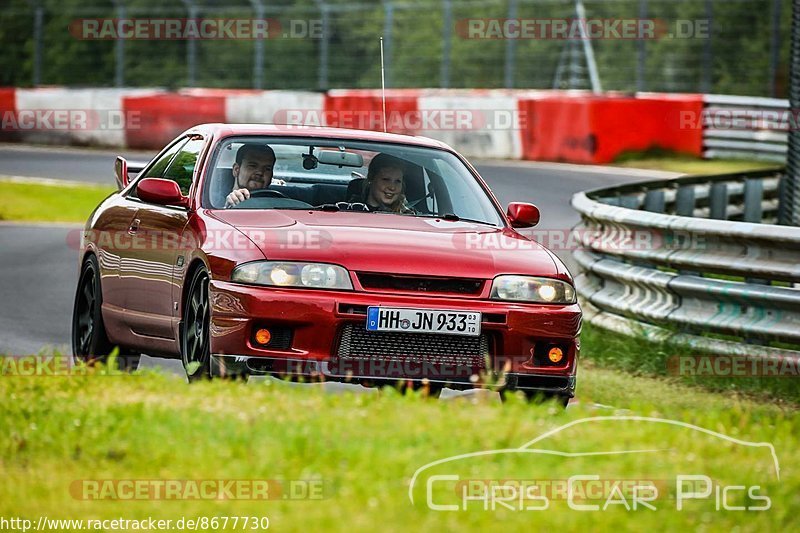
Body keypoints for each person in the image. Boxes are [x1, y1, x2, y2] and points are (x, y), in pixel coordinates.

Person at [224, 144, 276, 208]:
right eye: (252, 166)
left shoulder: (277, 202)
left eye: (267, 169)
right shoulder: (213, 201)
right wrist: (227, 207)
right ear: (236, 170)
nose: (260, 172)